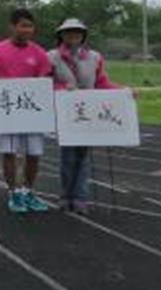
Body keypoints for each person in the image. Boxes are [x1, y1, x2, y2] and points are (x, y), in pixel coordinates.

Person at [49, 18, 135, 214]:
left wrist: (124, 91)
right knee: (67, 157)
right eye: (69, 32)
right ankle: (65, 196)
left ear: (83, 35)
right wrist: (62, 88)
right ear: (61, 35)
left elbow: (102, 82)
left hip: (89, 114)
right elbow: (45, 83)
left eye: (78, 32)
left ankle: (80, 197)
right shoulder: (51, 57)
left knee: (83, 157)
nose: (73, 35)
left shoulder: (95, 57)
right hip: (65, 113)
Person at [0, 8, 53, 214]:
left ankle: (28, 191)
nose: (27, 30)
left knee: (33, 154)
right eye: (23, 25)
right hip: (7, 110)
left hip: (32, 110)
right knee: (10, 152)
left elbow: (45, 80)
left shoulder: (40, 53)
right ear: (12, 26)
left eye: (30, 26)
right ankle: (13, 192)